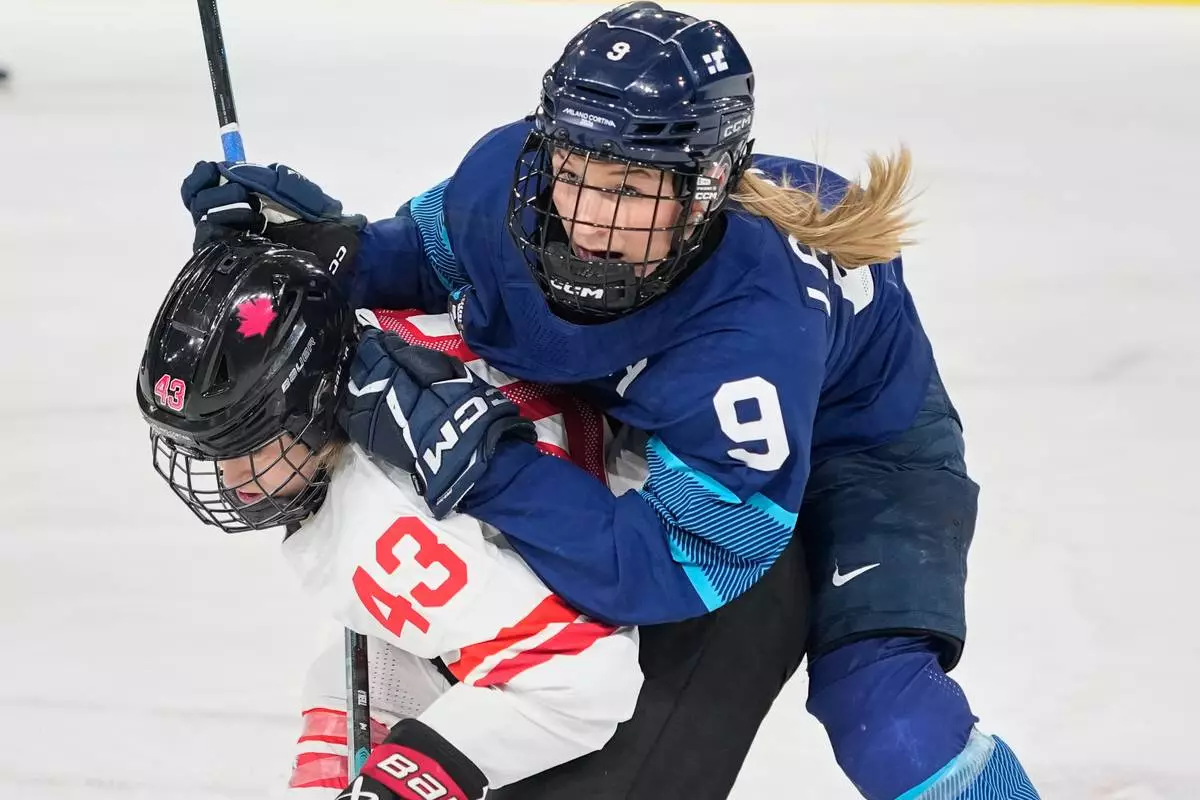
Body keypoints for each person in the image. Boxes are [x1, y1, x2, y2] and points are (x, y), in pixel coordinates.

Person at [179, 3, 1042, 798]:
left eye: (629, 191)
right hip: (671, 430)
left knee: (885, 714)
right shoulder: (507, 179)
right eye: (575, 171)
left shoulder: (745, 342)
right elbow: (432, 260)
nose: (589, 218)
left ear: (703, 187)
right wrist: (315, 256)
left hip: (861, 449)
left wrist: (485, 464)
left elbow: (674, 565)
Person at [135, 236, 646, 799]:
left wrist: (399, 783)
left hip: (706, 553)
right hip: (623, 475)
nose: (233, 482)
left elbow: (579, 686)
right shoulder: (368, 325)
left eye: (251, 447)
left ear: (309, 410)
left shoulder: (373, 524)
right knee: (340, 688)